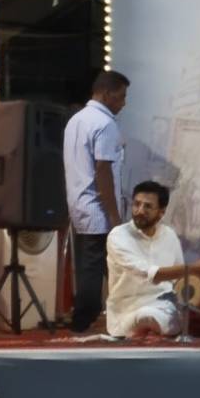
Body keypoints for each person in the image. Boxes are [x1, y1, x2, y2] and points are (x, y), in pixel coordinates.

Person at [106, 181, 200, 337]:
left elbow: (179, 280)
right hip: (128, 309)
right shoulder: (118, 236)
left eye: (147, 207)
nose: (140, 211)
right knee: (147, 316)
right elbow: (149, 274)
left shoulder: (169, 235)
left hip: (165, 305)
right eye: (137, 204)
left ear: (161, 212)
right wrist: (192, 269)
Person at [63, 70, 130, 333]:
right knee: (97, 266)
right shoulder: (105, 124)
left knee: (98, 265)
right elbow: (103, 170)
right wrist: (114, 215)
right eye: (121, 96)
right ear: (106, 93)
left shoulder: (76, 120)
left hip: (79, 203)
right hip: (99, 208)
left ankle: (112, 315)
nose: (124, 103)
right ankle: (83, 319)